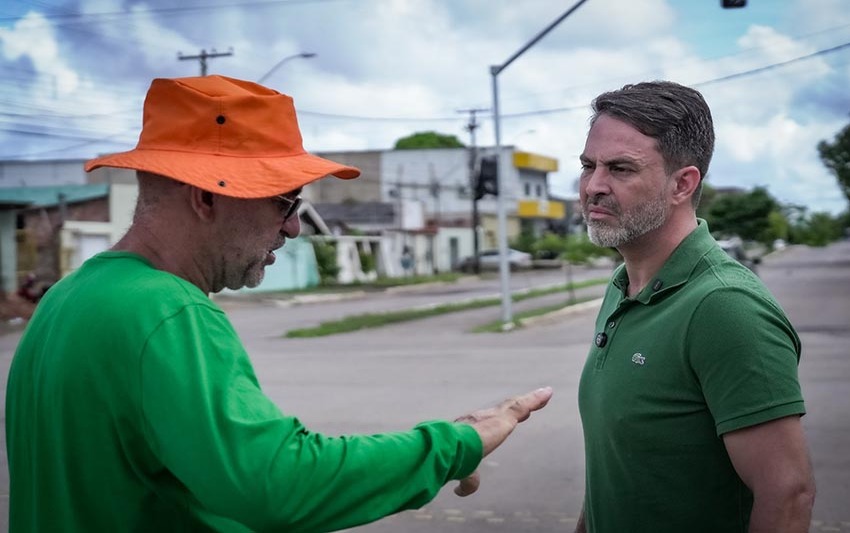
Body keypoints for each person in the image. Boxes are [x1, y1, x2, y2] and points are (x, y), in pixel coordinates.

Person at [5, 75, 553, 532]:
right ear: (206, 197)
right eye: (283, 202)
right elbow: (277, 483)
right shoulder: (166, 312)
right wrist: (457, 443)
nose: (293, 226)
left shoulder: (69, 299)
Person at [574, 81, 815, 533]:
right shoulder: (623, 286)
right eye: (588, 166)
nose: (594, 186)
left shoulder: (725, 307)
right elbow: (619, 470)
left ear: (682, 183)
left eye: (620, 168)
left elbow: (787, 495)